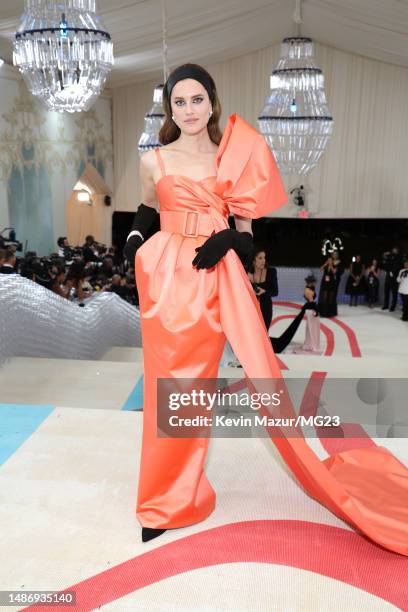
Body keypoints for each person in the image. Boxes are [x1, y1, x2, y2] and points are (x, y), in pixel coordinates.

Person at [123, 63, 408, 555]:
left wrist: (230, 237)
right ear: (169, 109)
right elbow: (147, 209)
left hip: (214, 278)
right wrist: (132, 241)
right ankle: (163, 498)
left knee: (199, 388)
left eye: (196, 99)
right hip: (167, 279)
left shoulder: (236, 154)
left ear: (212, 101)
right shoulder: (154, 159)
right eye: (178, 102)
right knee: (165, 386)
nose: (188, 110)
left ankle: (179, 492)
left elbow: (248, 230)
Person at [247, 248, 278, 330]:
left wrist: (264, 291)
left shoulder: (271, 271)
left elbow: (275, 292)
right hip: (249, 309)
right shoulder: (246, 271)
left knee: (263, 335)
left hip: (266, 309)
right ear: (253, 259)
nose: (263, 260)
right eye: (260, 258)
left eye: (264, 258)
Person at [293, 274, 321, 354]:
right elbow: (311, 302)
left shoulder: (309, 289)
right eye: (314, 282)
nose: (315, 284)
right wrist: (316, 310)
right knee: (311, 328)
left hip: (311, 309)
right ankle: (311, 344)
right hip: (311, 310)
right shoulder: (307, 290)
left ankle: (311, 343)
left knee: (311, 328)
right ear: (311, 282)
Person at [382, 247, 402, 311]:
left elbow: (398, 266)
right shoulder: (390, 256)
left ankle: (393, 306)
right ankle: (386, 305)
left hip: (395, 277)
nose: (393, 251)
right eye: (393, 249)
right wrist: (385, 254)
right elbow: (385, 263)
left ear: (397, 251)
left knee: (394, 293)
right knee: (386, 292)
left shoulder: (399, 257)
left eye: (395, 250)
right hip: (388, 276)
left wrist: (393, 272)